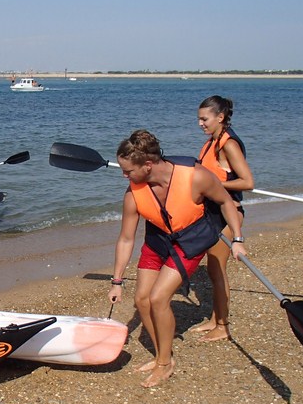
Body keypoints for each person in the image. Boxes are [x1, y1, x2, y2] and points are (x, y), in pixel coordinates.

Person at [109, 129, 246, 388]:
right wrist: (116, 281)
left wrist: (237, 240)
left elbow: (226, 202)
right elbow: (126, 239)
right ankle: (164, 352)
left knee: (158, 298)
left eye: (128, 171)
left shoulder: (196, 177)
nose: (124, 175)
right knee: (141, 299)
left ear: (148, 165)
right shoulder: (133, 194)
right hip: (158, 240)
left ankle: (164, 363)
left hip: (190, 239)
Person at [190, 96, 255, 341]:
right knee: (213, 270)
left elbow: (248, 182)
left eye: (204, 119)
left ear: (220, 117)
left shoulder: (228, 144)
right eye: (198, 118)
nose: (200, 123)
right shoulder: (212, 142)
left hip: (229, 215)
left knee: (217, 270)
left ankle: (223, 326)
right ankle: (214, 319)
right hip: (213, 213)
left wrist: (214, 184)